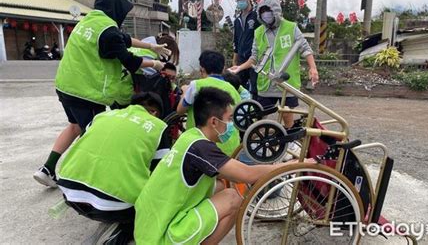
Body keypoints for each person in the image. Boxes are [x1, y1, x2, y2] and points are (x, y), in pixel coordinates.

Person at [134, 87, 315, 244]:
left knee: (221, 185)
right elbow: (249, 174)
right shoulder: (201, 147)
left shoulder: (190, 137)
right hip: (161, 236)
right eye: (228, 119)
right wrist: (295, 164)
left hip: (148, 227)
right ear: (214, 121)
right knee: (233, 198)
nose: (231, 125)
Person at [33, 0, 171, 187]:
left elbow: (124, 39)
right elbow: (131, 62)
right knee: (94, 136)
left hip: (65, 86)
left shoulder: (90, 21)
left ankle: (47, 169)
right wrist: (156, 63)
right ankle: (84, 180)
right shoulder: (108, 32)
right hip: (85, 92)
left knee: (75, 126)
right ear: (115, 8)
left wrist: (151, 46)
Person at [57, 92, 167, 244]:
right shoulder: (158, 127)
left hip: (69, 193)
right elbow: (160, 175)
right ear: (155, 112)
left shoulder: (102, 116)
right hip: (115, 207)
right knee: (156, 198)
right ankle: (119, 235)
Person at [229, 0, 319, 129]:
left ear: (276, 11)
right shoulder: (259, 32)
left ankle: (290, 140)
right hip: (266, 82)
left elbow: (305, 48)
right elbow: (254, 58)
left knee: (287, 112)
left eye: (268, 11)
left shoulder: (291, 28)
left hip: (286, 83)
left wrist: (313, 68)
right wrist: (240, 68)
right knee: (260, 114)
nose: (266, 15)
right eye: (262, 12)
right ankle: (256, 139)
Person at [176, 51, 241, 156]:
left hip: (201, 146)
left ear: (202, 69)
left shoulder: (196, 85)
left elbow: (180, 111)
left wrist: (184, 92)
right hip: (230, 147)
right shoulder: (232, 88)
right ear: (223, 68)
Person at [233, 0, 260, 98]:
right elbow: (236, 41)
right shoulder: (237, 20)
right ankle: (243, 110)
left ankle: (256, 111)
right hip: (241, 59)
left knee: (254, 87)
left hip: (255, 59)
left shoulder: (257, 16)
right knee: (239, 86)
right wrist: (235, 59)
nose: (240, 1)